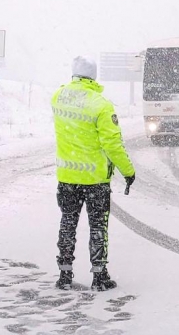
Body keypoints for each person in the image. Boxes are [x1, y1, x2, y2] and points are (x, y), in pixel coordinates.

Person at [52, 56, 136, 292]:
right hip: (96, 179)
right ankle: (99, 276)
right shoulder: (100, 104)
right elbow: (113, 144)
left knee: (67, 223)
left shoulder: (58, 97)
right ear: (93, 76)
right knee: (98, 226)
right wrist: (127, 171)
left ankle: (64, 274)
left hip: (67, 177)